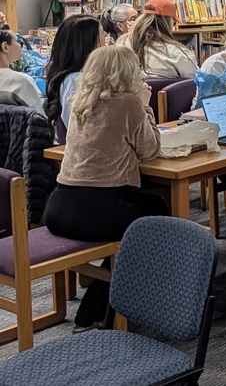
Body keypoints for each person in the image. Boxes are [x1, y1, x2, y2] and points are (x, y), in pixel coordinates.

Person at [43, 46, 167, 330]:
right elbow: (150, 150)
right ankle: (98, 310)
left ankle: (115, 301)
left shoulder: (80, 102)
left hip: (60, 206)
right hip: (98, 210)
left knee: (147, 211)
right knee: (154, 221)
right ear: (127, 72)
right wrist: (145, 104)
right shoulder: (128, 103)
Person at [43, 15, 104, 134]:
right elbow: (76, 127)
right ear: (89, 43)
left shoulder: (80, 75)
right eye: (102, 33)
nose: (107, 37)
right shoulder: (75, 80)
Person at [123, 0, 198, 79]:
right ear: (169, 22)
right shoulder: (179, 52)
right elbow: (195, 81)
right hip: (168, 91)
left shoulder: (123, 43)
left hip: (133, 91)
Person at [0, 28, 44, 115]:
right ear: (5, 47)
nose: (22, 46)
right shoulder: (21, 82)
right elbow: (41, 117)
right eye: (18, 42)